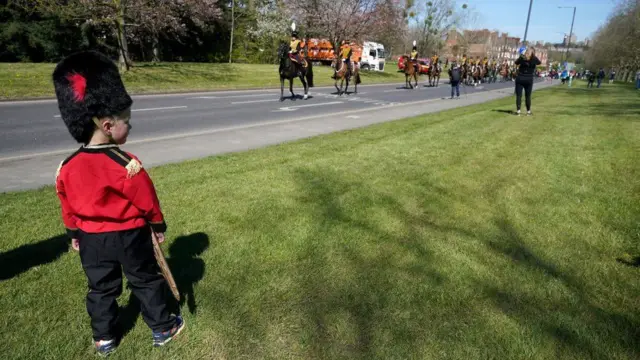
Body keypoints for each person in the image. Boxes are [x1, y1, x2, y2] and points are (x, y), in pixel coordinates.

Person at [53, 51, 184, 356]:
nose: (130, 126)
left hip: (90, 239)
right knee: (145, 280)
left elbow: (67, 204)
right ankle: (163, 327)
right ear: (108, 124)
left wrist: (73, 233)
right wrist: (157, 225)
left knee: (101, 288)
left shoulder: (66, 166)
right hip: (129, 235)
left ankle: (104, 338)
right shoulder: (126, 163)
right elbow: (146, 199)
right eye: (127, 120)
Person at [514, 47, 541, 116]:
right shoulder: (534, 59)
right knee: (528, 96)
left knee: (519, 95)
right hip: (529, 78)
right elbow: (539, 63)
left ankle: (518, 111)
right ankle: (528, 112)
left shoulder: (522, 58)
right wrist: (533, 56)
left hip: (520, 77)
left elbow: (516, 63)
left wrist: (521, 57)